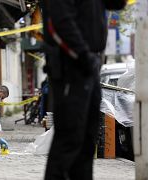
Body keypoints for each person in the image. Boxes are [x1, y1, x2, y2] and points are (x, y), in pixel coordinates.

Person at [40, 0, 127, 179]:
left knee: (88, 138)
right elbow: (60, 23)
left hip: (90, 65)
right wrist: (82, 55)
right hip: (71, 65)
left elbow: (117, 3)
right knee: (70, 136)